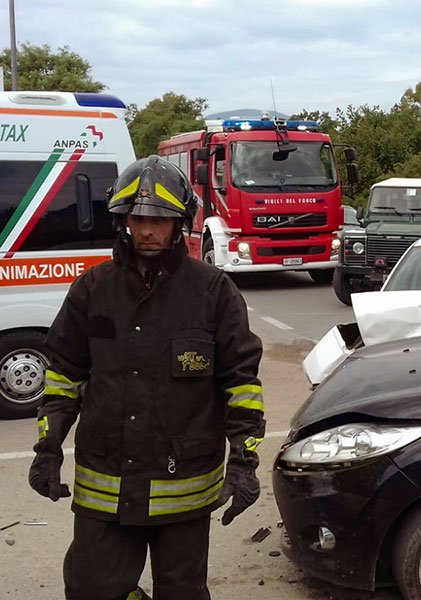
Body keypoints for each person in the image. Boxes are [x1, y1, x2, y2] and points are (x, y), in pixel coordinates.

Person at [28, 156, 265, 600]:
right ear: (124, 221)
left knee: (182, 592)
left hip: (185, 487)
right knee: (90, 588)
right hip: (106, 481)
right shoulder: (92, 290)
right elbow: (62, 377)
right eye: (138, 219)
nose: (148, 231)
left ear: (180, 223)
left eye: (161, 219)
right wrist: (47, 450)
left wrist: (244, 462)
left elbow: (242, 384)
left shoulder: (214, 291)